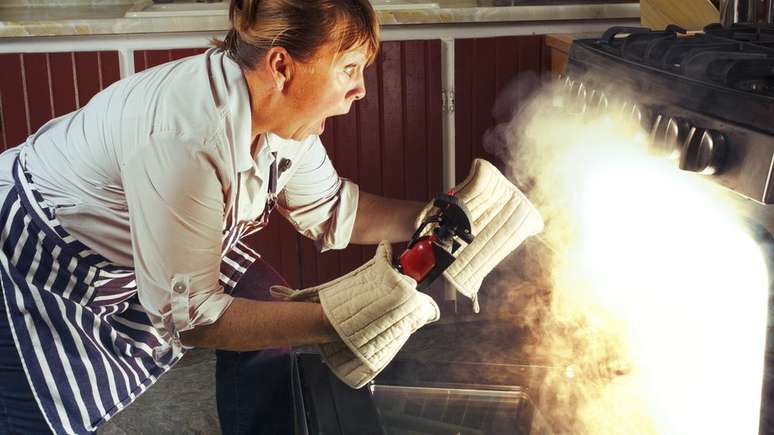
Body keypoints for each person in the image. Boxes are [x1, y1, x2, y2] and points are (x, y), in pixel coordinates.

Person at [0, 0, 543, 434]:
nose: (360, 89)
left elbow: (333, 209)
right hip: (32, 258)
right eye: (348, 69)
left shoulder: (284, 119)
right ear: (282, 65)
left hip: (136, 244)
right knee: (38, 417)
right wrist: (339, 318)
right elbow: (195, 320)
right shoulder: (186, 136)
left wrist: (440, 216)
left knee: (264, 306)